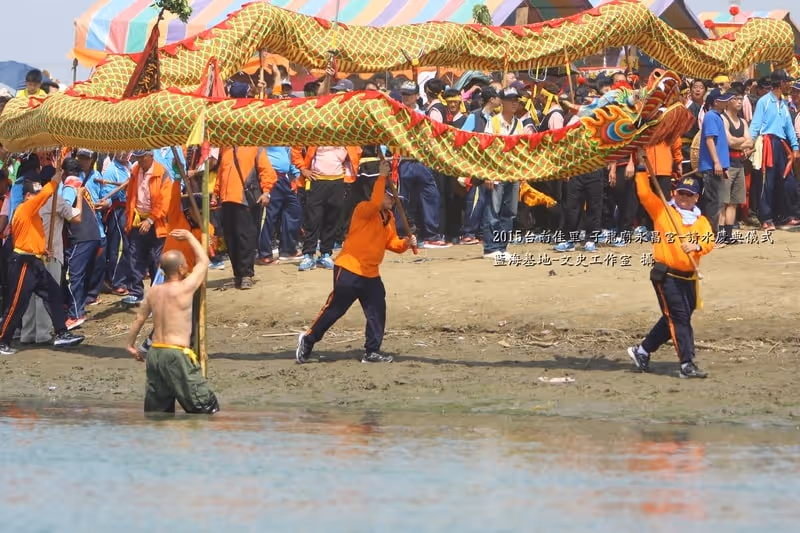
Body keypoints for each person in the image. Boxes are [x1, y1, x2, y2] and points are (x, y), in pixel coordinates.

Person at [296, 160, 416, 364]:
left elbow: (392, 243)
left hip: (370, 273)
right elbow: (376, 202)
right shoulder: (364, 209)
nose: (393, 202)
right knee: (335, 309)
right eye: (391, 197)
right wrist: (381, 176)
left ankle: (372, 351)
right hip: (350, 267)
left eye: (395, 199)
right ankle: (309, 339)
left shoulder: (389, 218)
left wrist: (405, 242)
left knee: (377, 308)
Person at [627, 171, 714, 379]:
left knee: (674, 318)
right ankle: (686, 363)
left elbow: (709, 241)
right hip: (666, 276)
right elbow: (645, 193)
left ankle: (642, 351)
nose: (684, 198)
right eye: (681, 193)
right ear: (675, 193)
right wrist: (641, 169)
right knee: (679, 318)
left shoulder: (701, 221)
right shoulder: (663, 211)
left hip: (689, 278)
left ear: (696, 197)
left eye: (689, 194)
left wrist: (696, 245)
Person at [126, 229, 219, 414]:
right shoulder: (185, 287)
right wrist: (190, 237)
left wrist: (130, 345)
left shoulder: (153, 291)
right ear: (181, 269)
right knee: (206, 408)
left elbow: (139, 318)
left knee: (158, 413)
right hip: (176, 354)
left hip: (155, 353)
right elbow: (204, 261)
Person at [0, 175, 85, 355]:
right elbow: (44, 195)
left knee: (54, 294)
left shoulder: (32, 212)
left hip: (35, 261)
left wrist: (43, 250)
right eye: (36, 195)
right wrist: (54, 180)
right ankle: (2, 340)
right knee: (17, 304)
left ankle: (61, 332)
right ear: (27, 195)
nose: (40, 198)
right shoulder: (25, 208)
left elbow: (30, 235)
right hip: (23, 262)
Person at [21, 160, 84, 345]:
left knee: (31, 294)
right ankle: (42, 333)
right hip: (50, 252)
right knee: (47, 295)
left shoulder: (32, 200)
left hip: (31, 251)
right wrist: (79, 195)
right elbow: (77, 217)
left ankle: (28, 332)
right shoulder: (55, 199)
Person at [748, 70, 800, 231]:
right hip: (767, 143)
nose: (789, 85)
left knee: (785, 180)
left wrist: (795, 147)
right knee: (766, 182)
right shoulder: (764, 101)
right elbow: (756, 124)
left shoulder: (784, 103)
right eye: (787, 82)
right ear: (781, 83)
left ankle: (783, 215)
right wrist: (749, 144)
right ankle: (766, 218)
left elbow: (789, 128)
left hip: (781, 143)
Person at [697, 88, 732, 239]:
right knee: (713, 202)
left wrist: (723, 166)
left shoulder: (717, 116)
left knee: (717, 201)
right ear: (716, 102)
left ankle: (713, 234)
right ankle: (711, 235)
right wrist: (717, 162)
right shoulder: (711, 116)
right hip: (711, 166)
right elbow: (709, 140)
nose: (727, 102)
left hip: (716, 166)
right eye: (724, 100)